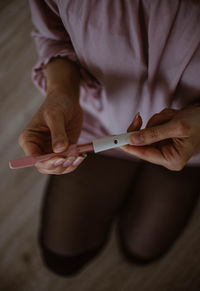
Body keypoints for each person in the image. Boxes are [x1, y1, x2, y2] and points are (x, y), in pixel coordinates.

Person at [18, 0, 200, 276]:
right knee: (62, 257)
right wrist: (61, 90)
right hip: (100, 120)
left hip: (193, 140)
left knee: (142, 250)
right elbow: (54, 35)